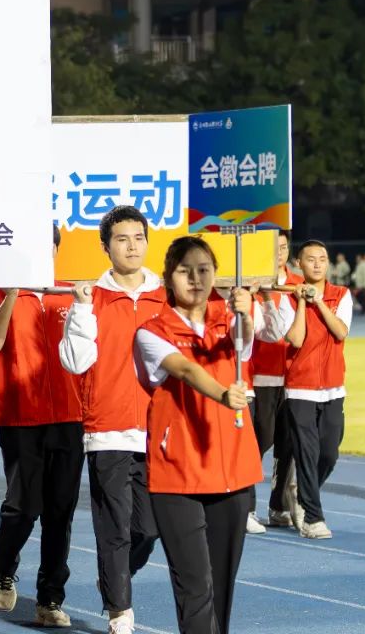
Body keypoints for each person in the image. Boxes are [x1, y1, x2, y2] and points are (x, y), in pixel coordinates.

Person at [134, 237, 263, 634]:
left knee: (221, 587)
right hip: (179, 474)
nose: (195, 279)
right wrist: (223, 394)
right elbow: (186, 370)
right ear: (168, 278)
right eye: (184, 271)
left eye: (204, 269)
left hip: (232, 471)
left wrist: (245, 315)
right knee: (195, 586)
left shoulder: (232, 319)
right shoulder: (152, 331)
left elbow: (244, 343)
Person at [60, 206, 167, 634]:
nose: (132, 247)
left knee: (150, 529)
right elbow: (75, 362)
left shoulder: (165, 296)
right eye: (122, 239)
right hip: (108, 431)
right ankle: (120, 610)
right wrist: (82, 310)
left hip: (158, 430)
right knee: (114, 528)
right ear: (106, 247)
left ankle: (114, 576)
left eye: (138, 238)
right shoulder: (91, 299)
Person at [0, 225, 83, 627]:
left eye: (46, 245)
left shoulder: (71, 294)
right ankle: (5, 567)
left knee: (60, 512)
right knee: (23, 508)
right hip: (21, 417)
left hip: (69, 417)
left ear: (56, 249)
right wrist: (13, 294)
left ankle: (50, 599)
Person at [279, 240, 352, 539]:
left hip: (333, 387)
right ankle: (313, 518)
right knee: (307, 454)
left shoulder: (341, 295)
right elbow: (295, 339)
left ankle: (304, 493)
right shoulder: (288, 298)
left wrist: (319, 302)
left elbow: (341, 331)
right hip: (300, 388)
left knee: (329, 453)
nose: (318, 264)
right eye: (311, 259)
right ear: (299, 264)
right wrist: (301, 303)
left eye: (322, 258)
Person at [248, 231, 304, 532]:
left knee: (289, 443)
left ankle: (279, 506)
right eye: (273, 248)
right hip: (263, 374)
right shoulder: (253, 285)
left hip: (294, 375)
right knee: (260, 440)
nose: (279, 252)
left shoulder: (298, 285)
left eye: (283, 247)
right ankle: (245, 505)